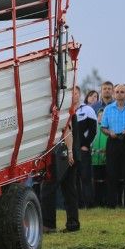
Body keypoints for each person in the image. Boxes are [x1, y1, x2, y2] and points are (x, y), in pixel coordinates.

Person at [42, 95, 80, 233]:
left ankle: (49, 224)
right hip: (71, 154)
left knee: (48, 189)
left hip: (62, 155)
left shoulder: (63, 110)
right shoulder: (70, 110)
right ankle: (73, 223)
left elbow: (67, 131)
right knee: (69, 190)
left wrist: (69, 152)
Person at [100, 84, 125, 208]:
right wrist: (109, 132)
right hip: (112, 141)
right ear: (114, 94)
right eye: (117, 91)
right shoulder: (108, 109)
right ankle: (112, 203)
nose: (120, 94)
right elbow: (103, 127)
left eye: (122, 91)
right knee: (112, 173)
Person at [74, 90, 98, 208]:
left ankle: (89, 204)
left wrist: (86, 145)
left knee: (85, 176)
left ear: (79, 94)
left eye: (76, 93)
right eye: (72, 93)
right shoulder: (65, 111)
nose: (74, 95)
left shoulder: (88, 110)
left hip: (83, 150)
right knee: (73, 178)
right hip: (70, 150)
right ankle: (78, 204)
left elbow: (94, 130)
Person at [90, 110, 108, 207]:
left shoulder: (107, 128)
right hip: (94, 161)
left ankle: (105, 201)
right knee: (95, 182)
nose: (101, 117)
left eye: (103, 116)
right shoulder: (94, 128)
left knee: (104, 181)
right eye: (99, 116)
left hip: (104, 160)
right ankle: (96, 201)